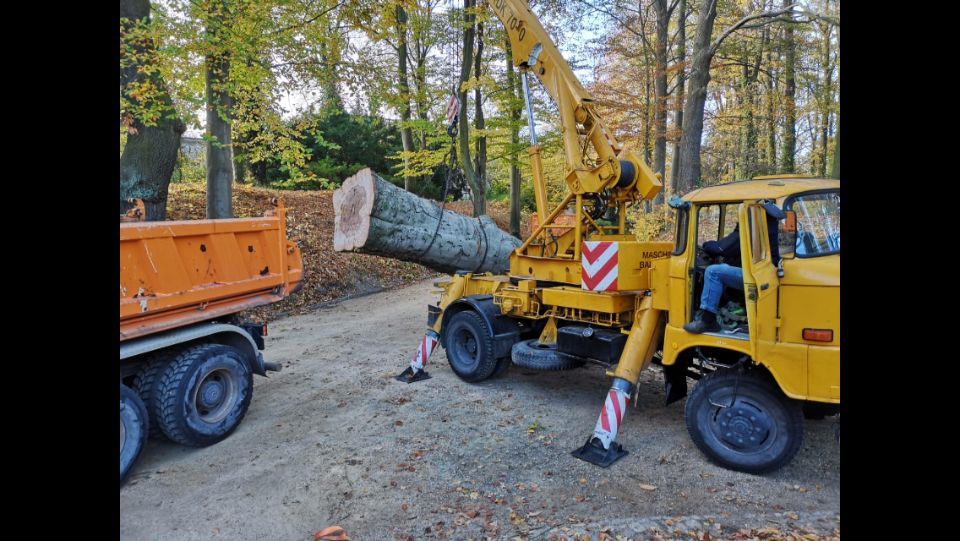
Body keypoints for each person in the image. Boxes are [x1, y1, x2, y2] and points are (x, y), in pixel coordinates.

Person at [684, 202, 785, 334]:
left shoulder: (753, 223)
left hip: (758, 277)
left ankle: (707, 321)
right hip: (767, 272)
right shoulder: (771, 221)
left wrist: (706, 245)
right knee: (725, 267)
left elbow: (723, 248)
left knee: (713, 271)